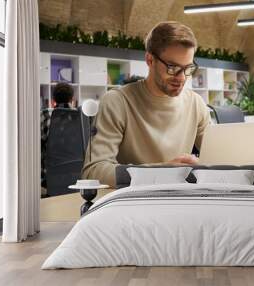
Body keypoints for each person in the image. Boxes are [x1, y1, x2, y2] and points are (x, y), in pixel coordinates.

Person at [82, 21, 211, 187]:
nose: (181, 78)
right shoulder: (117, 101)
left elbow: (218, 158)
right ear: (150, 60)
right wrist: (162, 172)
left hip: (180, 198)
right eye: (172, 67)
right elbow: (93, 171)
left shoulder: (195, 103)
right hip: (133, 203)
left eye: (188, 68)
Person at [41, 82, 75, 188]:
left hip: (48, 177)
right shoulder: (79, 116)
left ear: (53, 99)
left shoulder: (44, 115)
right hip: (74, 176)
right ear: (71, 99)